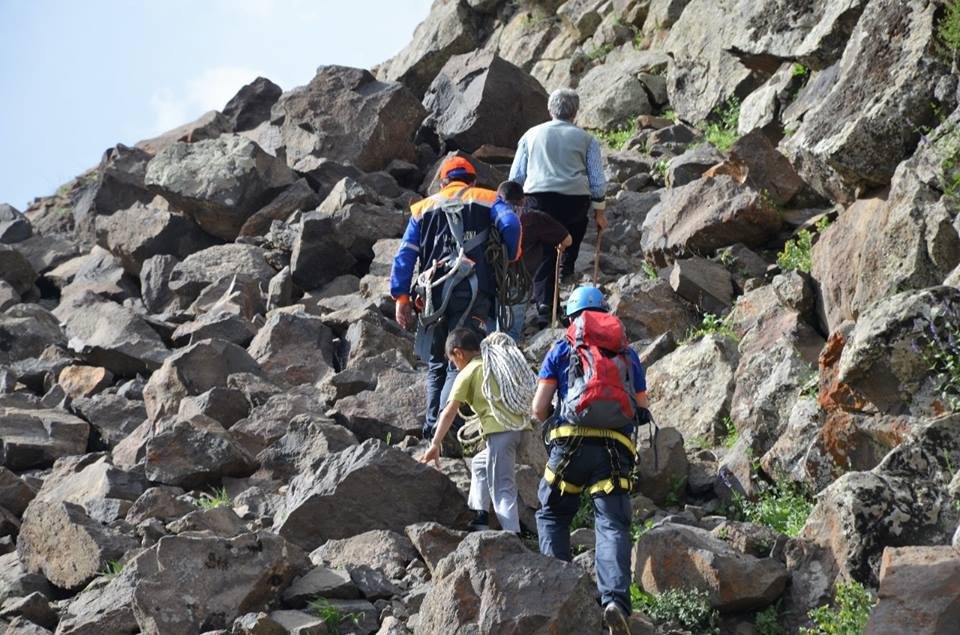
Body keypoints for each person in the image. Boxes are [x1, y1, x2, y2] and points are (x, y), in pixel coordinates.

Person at [531, 286, 649, 635]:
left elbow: (539, 410)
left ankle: (559, 599)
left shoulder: (562, 348)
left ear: (571, 317)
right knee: (612, 523)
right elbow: (641, 407)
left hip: (569, 444)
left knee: (553, 514)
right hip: (615, 448)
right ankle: (614, 601)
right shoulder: (627, 354)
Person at [391, 156, 521, 440]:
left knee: (438, 360)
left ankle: (431, 427)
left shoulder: (422, 208)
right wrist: (512, 256)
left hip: (433, 294)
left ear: (442, 182)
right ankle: (445, 429)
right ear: (473, 181)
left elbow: (405, 255)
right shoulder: (489, 198)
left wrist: (401, 297)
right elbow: (510, 226)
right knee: (461, 356)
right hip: (474, 294)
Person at [509, 88, 608, 327]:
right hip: (574, 201)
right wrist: (599, 211)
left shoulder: (531, 135)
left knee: (545, 249)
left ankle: (545, 307)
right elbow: (597, 179)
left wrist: (514, 204)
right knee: (574, 228)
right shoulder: (586, 139)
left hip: (539, 199)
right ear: (575, 112)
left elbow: (516, 176)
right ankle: (566, 267)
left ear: (550, 110)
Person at [420, 328, 534, 533]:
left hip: (500, 432)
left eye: (452, 361)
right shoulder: (493, 365)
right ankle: (479, 515)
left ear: (458, 353)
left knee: (502, 487)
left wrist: (435, 443)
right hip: (519, 430)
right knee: (481, 464)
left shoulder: (468, 372)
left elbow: (449, 412)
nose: (454, 366)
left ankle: (512, 537)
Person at [492, 180, 572, 342]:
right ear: (524, 200)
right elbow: (568, 240)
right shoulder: (534, 217)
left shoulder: (489, 213)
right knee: (510, 331)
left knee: (490, 325)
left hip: (491, 277)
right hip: (519, 280)